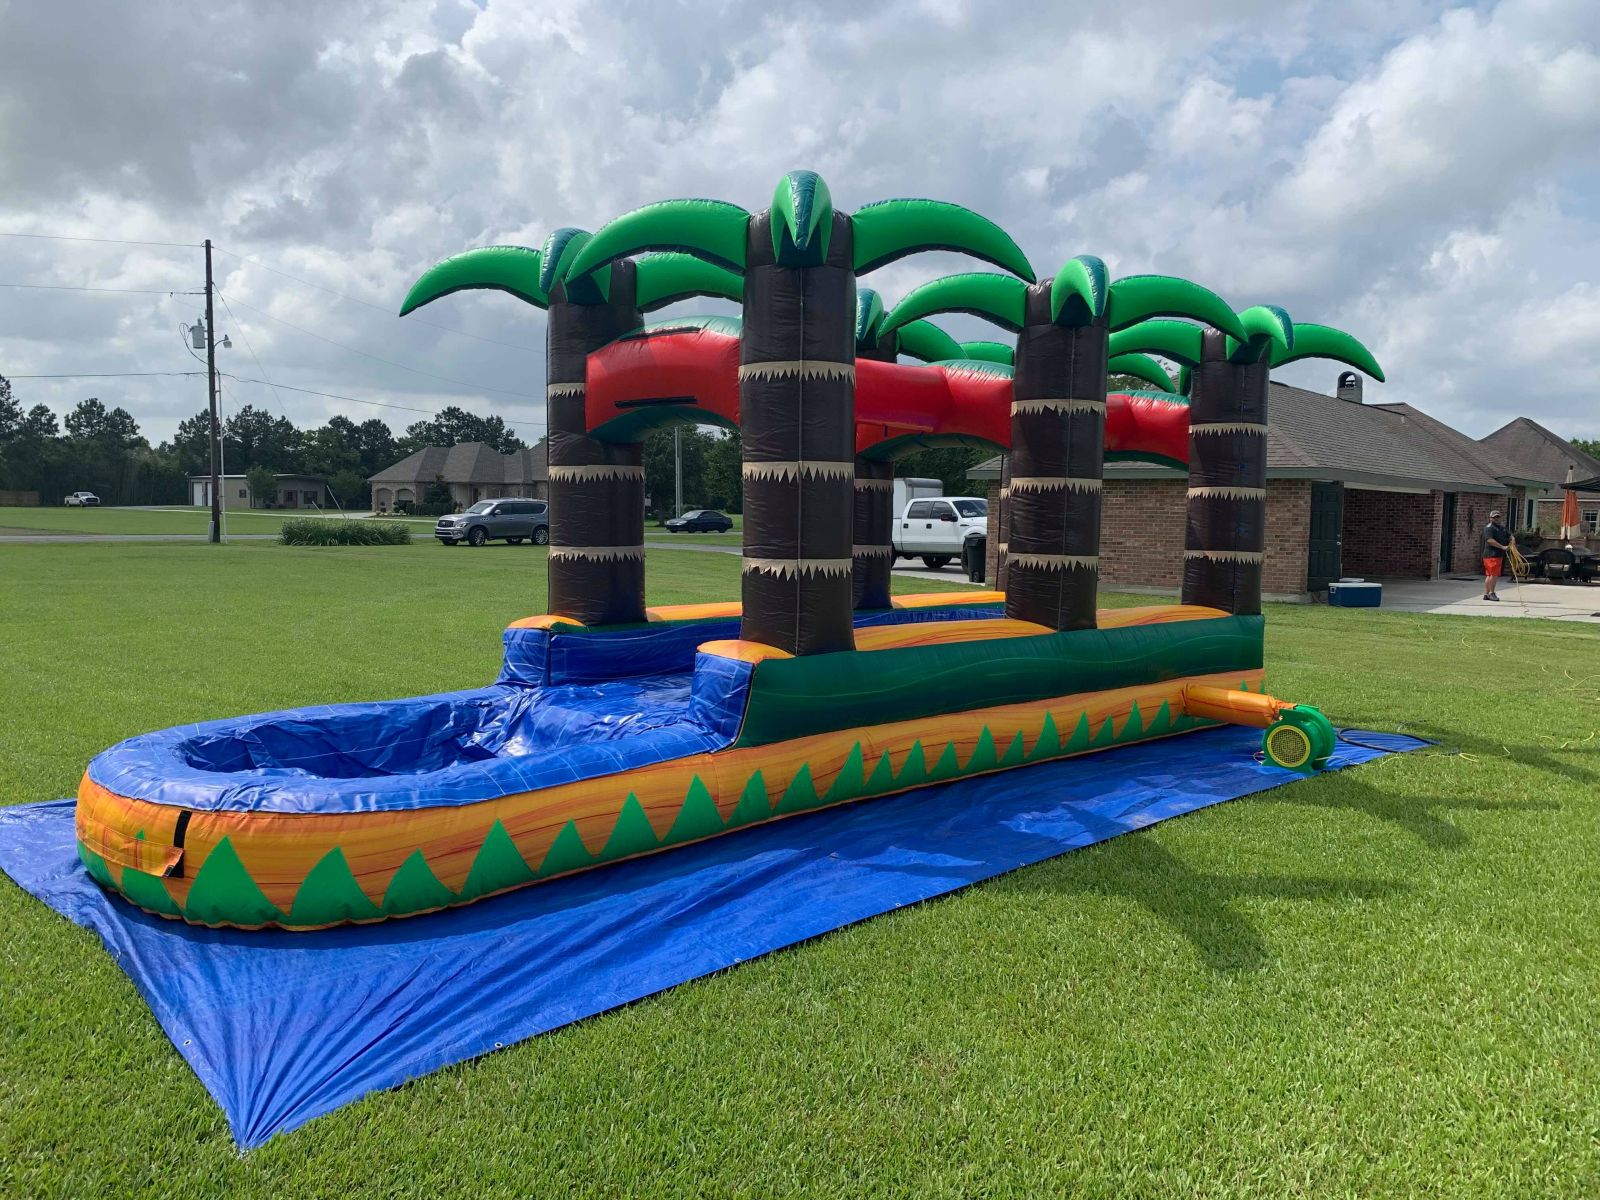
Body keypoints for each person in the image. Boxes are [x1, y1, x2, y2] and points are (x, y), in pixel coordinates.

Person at [1482, 509, 1511, 601]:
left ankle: (1486, 594)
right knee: (1493, 575)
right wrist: (1502, 547)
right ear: (1490, 518)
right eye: (1494, 517)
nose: (1496, 519)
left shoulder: (1501, 528)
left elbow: (1509, 535)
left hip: (1497, 555)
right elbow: (1490, 540)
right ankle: (1491, 593)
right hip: (1491, 555)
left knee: (1490, 575)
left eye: (1498, 517)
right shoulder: (1489, 528)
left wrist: (1512, 539)